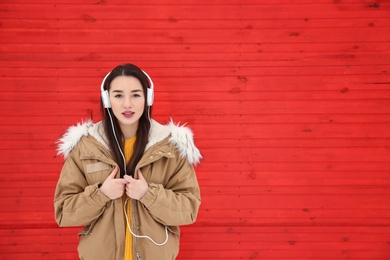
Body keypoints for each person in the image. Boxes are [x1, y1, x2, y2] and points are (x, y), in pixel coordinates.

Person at [54, 63, 202, 260]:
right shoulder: (85, 147)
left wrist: (148, 194)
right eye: (118, 95)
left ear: (148, 98)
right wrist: (101, 194)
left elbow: (189, 210)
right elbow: (64, 212)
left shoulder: (170, 148)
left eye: (135, 95)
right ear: (107, 100)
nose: (127, 104)